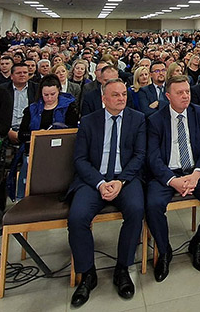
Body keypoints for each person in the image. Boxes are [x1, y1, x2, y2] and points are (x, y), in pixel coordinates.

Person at [67, 79, 146, 305]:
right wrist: (100, 183)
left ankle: (123, 268)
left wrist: (120, 181)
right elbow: (80, 159)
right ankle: (87, 273)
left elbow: (139, 155)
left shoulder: (137, 119)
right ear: (104, 99)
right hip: (93, 179)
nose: (121, 98)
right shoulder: (89, 121)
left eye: (124, 94)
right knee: (77, 217)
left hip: (125, 178)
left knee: (136, 210)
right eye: (115, 95)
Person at [145, 75, 200, 280]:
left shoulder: (198, 113)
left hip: (194, 170)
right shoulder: (156, 119)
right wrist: (173, 181)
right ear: (168, 96)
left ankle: (198, 241)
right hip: (167, 174)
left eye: (187, 91)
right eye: (179, 92)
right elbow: (153, 157)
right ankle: (164, 250)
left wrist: (197, 174)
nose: (185, 96)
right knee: (153, 204)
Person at [17, 76, 79, 143]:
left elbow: (73, 131)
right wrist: (37, 134)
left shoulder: (69, 107)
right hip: (36, 145)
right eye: (46, 95)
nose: (49, 98)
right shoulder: (32, 109)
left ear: (59, 90)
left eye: (53, 94)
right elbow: (21, 135)